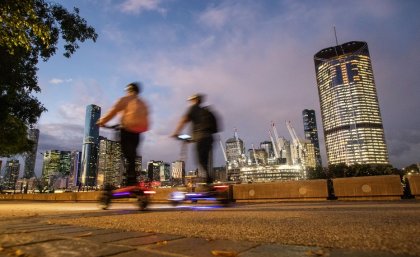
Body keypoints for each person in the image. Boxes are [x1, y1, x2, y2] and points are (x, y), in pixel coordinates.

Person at [97, 82, 149, 186]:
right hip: (138, 133)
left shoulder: (125, 99)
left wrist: (102, 121)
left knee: (126, 154)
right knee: (132, 156)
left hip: (126, 130)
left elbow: (113, 111)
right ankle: (132, 179)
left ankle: (130, 179)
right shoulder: (143, 103)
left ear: (129, 90)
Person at [171, 93, 218, 187]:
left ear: (195, 100)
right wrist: (191, 139)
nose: (190, 102)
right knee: (206, 161)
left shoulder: (193, 109)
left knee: (200, 161)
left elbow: (183, 120)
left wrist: (175, 132)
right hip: (210, 137)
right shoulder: (205, 112)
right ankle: (209, 182)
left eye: (191, 100)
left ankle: (208, 180)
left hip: (200, 137)